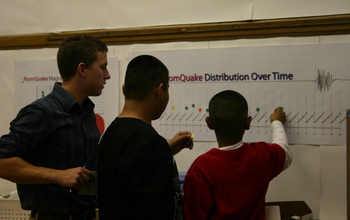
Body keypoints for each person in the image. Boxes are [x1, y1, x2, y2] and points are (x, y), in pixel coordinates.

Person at [0, 34, 110, 220]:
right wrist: (57, 175)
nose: (107, 75)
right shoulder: (42, 111)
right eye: (103, 67)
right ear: (82, 69)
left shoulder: (87, 112)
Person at [97, 54, 193, 220]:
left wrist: (165, 150)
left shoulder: (110, 134)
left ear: (124, 89)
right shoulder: (149, 142)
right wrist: (161, 150)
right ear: (160, 90)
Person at [183, 90, 292, 220]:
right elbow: (284, 152)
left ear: (209, 122)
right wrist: (277, 122)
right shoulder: (262, 155)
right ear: (248, 122)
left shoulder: (200, 168)